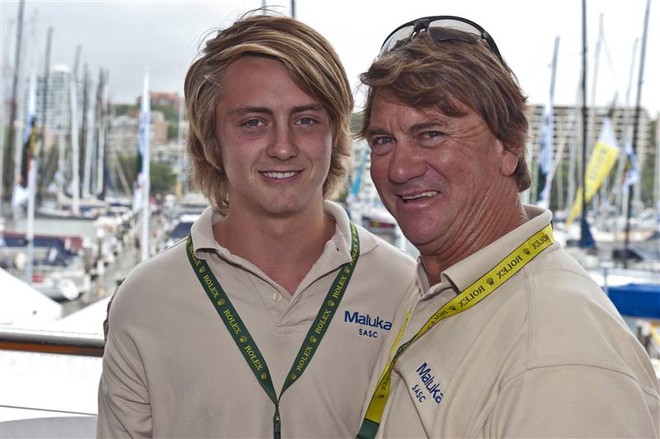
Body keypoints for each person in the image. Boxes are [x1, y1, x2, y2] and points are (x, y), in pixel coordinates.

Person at [97, 12, 417, 439]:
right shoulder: (145, 301)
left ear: (334, 135)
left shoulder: (404, 292)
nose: (282, 147)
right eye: (253, 122)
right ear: (211, 142)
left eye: (306, 120)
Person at [355, 15, 660, 439]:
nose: (400, 168)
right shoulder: (442, 284)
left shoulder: (558, 355)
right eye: (382, 141)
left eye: (430, 134)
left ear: (510, 146)